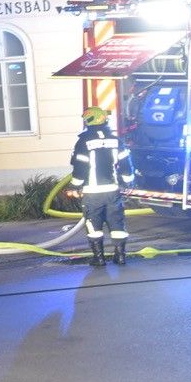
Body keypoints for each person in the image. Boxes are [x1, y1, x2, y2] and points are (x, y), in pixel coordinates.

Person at [70, 106, 136, 266]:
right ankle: (120, 257)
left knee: (93, 224)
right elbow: (126, 164)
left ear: (89, 121)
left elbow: (80, 167)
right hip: (113, 191)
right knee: (117, 223)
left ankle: (98, 258)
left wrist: (75, 186)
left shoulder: (83, 141)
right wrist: (128, 182)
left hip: (92, 193)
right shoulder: (116, 139)